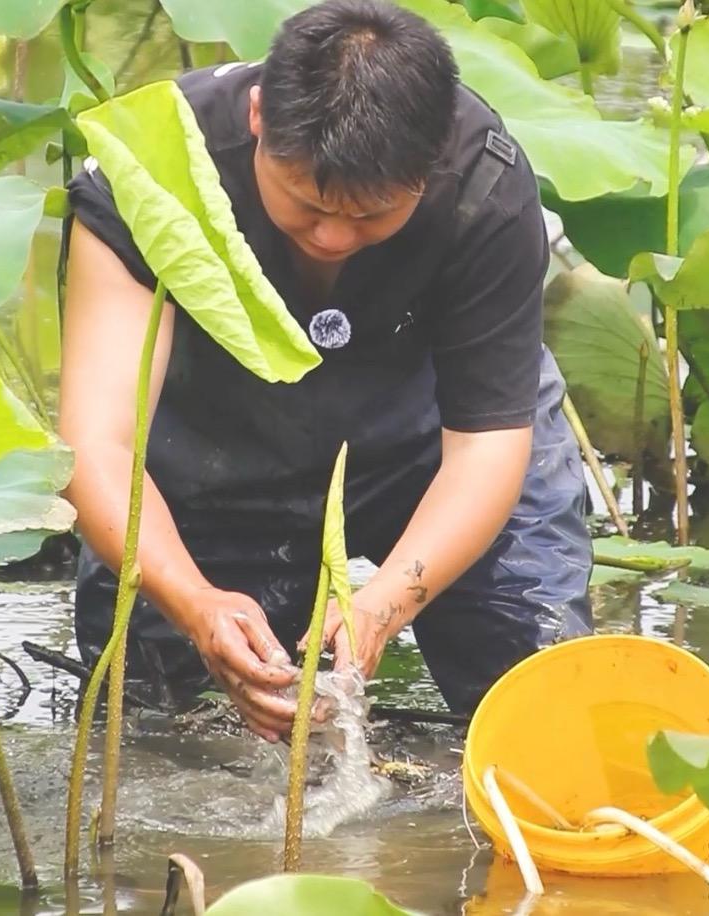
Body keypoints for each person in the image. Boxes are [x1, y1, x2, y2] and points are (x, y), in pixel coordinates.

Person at [60, 0, 592, 743]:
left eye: (372, 215)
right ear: (256, 120)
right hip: (215, 453)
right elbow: (98, 444)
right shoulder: (146, 168)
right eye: (307, 205)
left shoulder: (484, 184)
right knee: (171, 736)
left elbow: (486, 447)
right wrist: (196, 602)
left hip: (431, 439)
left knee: (540, 709)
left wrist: (383, 603)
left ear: (432, 162)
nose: (334, 237)